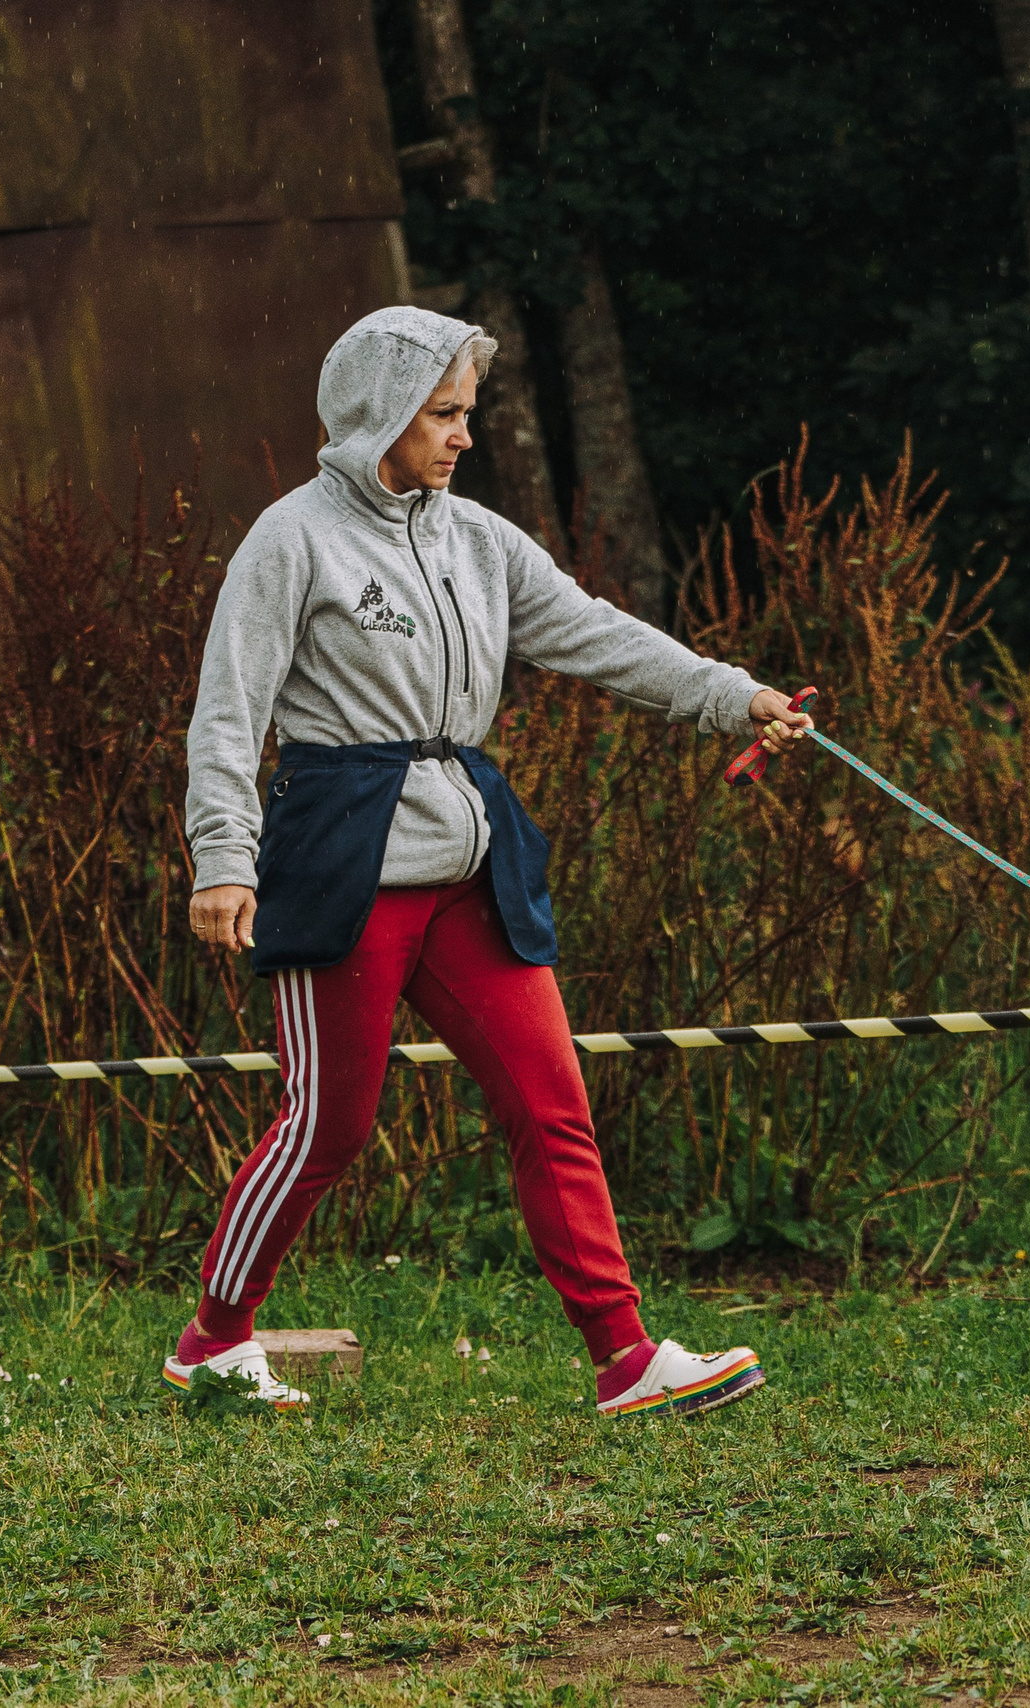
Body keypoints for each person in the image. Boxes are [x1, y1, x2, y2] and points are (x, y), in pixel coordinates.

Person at [169, 305, 808, 1418]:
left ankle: (625, 1356)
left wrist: (729, 693)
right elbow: (229, 711)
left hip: (471, 859)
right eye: (443, 413)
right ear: (380, 411)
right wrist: (223, 856)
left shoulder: (478, 538)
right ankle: (213, 1340)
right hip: (340, 860)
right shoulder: (293, 537)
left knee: (551, 1099)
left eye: (467, 413)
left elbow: (598, 633)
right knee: (332, 1122)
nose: (463, 435)